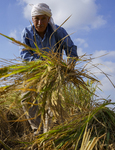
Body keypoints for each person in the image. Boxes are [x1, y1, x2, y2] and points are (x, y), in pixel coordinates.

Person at [20, 3, 78, 135]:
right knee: (26, 98)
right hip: (34, 72)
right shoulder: (27, 32)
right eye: (36, 19)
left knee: (52, 102)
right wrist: (40, 63)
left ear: (48, 19)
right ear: (32, 19)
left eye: (43, 19)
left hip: (54, 74)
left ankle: (52, 132)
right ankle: (38, 129)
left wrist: (70, 65)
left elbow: (71, 49)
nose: (40, 22)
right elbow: (24, 54)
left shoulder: (58, 31)